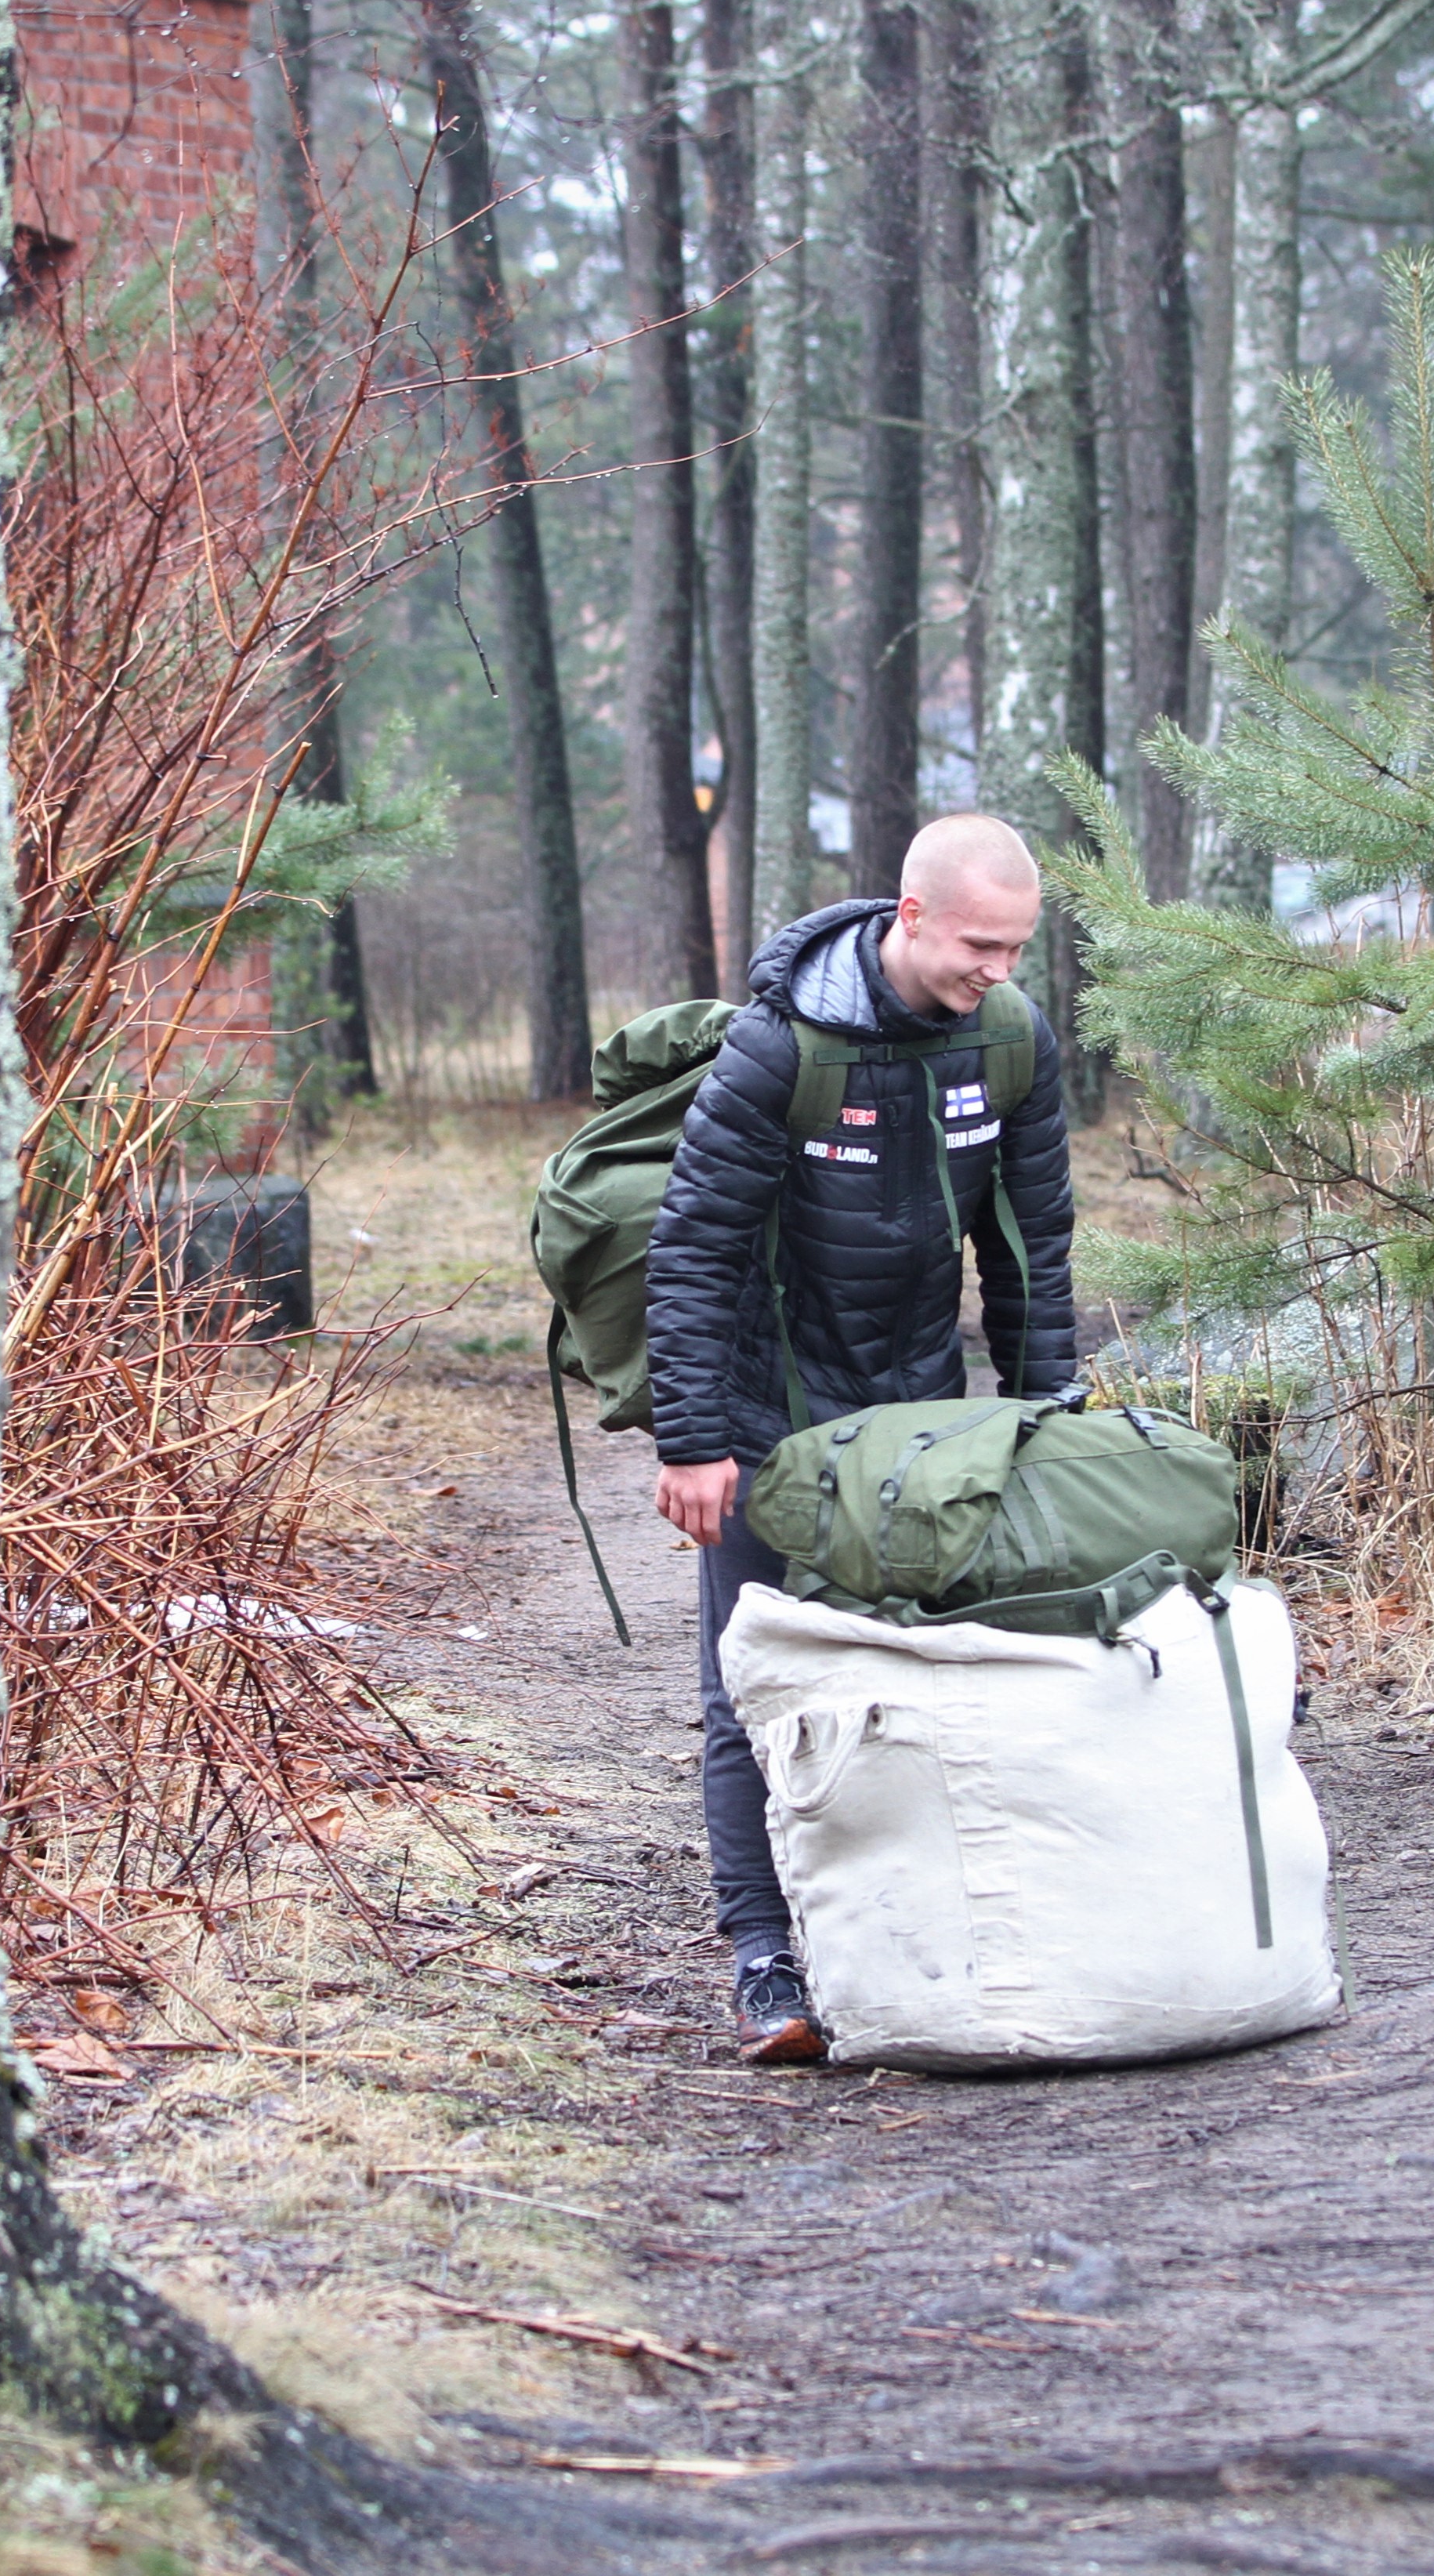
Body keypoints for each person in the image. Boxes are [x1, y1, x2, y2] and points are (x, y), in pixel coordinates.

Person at [643, 813, 1080, 2061]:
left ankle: (907, 1948)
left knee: (914, 1678)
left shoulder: (1010, 1042)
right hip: (764, 1414)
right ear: (912, 915)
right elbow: (694, 1247)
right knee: (754, 1690)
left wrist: (1044, 1425)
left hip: (919, 1418)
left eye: (1017, 948)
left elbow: (1031, 1252)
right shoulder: (783, 1046)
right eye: (980, 945)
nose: (999, 969)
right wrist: (693, 1442)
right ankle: (766, 1962)